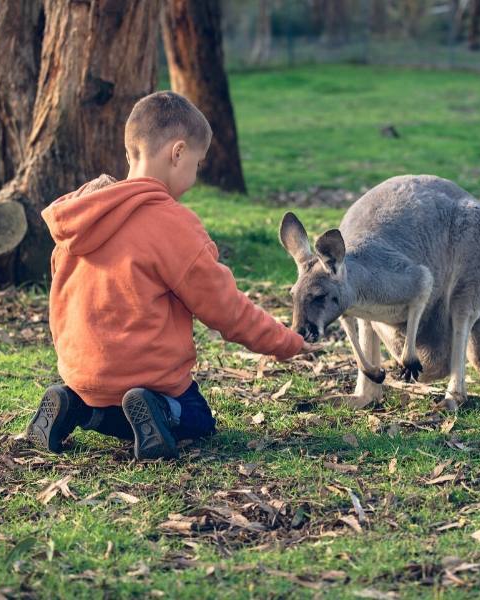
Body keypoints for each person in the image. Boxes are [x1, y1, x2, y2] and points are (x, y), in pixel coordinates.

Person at [26, 91, 316, 460]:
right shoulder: (173, 224)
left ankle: (77, 406)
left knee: (112, 402)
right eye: (197, 164)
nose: (194, 176)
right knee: (198, 420)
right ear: (177, 153)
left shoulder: (82, 214)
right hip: (150, 378)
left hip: (81, 373)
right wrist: (284, 341)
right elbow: (225, 309)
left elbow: (60, 295)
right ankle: (160, 409)